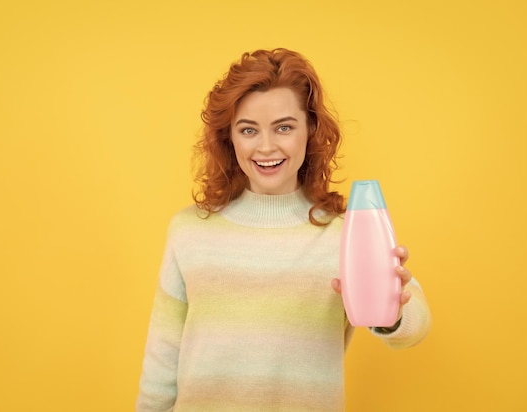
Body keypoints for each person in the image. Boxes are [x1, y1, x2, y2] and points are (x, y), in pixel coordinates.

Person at [136, 48, 431, 411]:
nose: (266, 147)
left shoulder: (345, 235)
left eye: (284, 127)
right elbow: (162, 359)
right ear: (229, 137)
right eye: (248, 130)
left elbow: (414, 324)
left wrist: (395, 306)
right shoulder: (188, 231)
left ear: (311, 130)